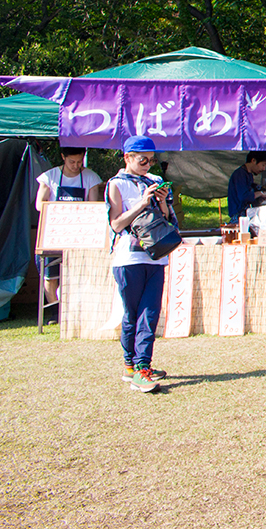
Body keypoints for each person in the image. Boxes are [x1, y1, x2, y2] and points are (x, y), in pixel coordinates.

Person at [107, 136, 178, 392]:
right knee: (132, 314)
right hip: (128, 258)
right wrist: (142, 202)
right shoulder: (116, 184)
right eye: (142, 159)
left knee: (150, 314)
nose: (148, 164)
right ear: (127, 157)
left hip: (156, 256)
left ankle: (142, 367)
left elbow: (169, 219)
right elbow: (116, 224)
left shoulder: (156, 181)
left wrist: (161, 201)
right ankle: (131, 365)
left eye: (151, 159)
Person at [35, 145, 103, 306]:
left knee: (78, 273)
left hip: (80, 234)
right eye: (72, 161)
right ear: (63, 157)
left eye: (79, 162)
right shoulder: (49, 177)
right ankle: (54, 309)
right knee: (50, 275)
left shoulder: (90, 177)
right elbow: (39, 204)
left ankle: (74, 309)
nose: (76, 166)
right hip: (54, 233)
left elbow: (94, 205)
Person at [227, 150, 266, 221]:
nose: (264, 169)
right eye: (263, 165)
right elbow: (243, 196)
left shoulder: (248, 175)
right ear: (253, 160)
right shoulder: (240, 175)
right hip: (239, 217)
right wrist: (260, 193)